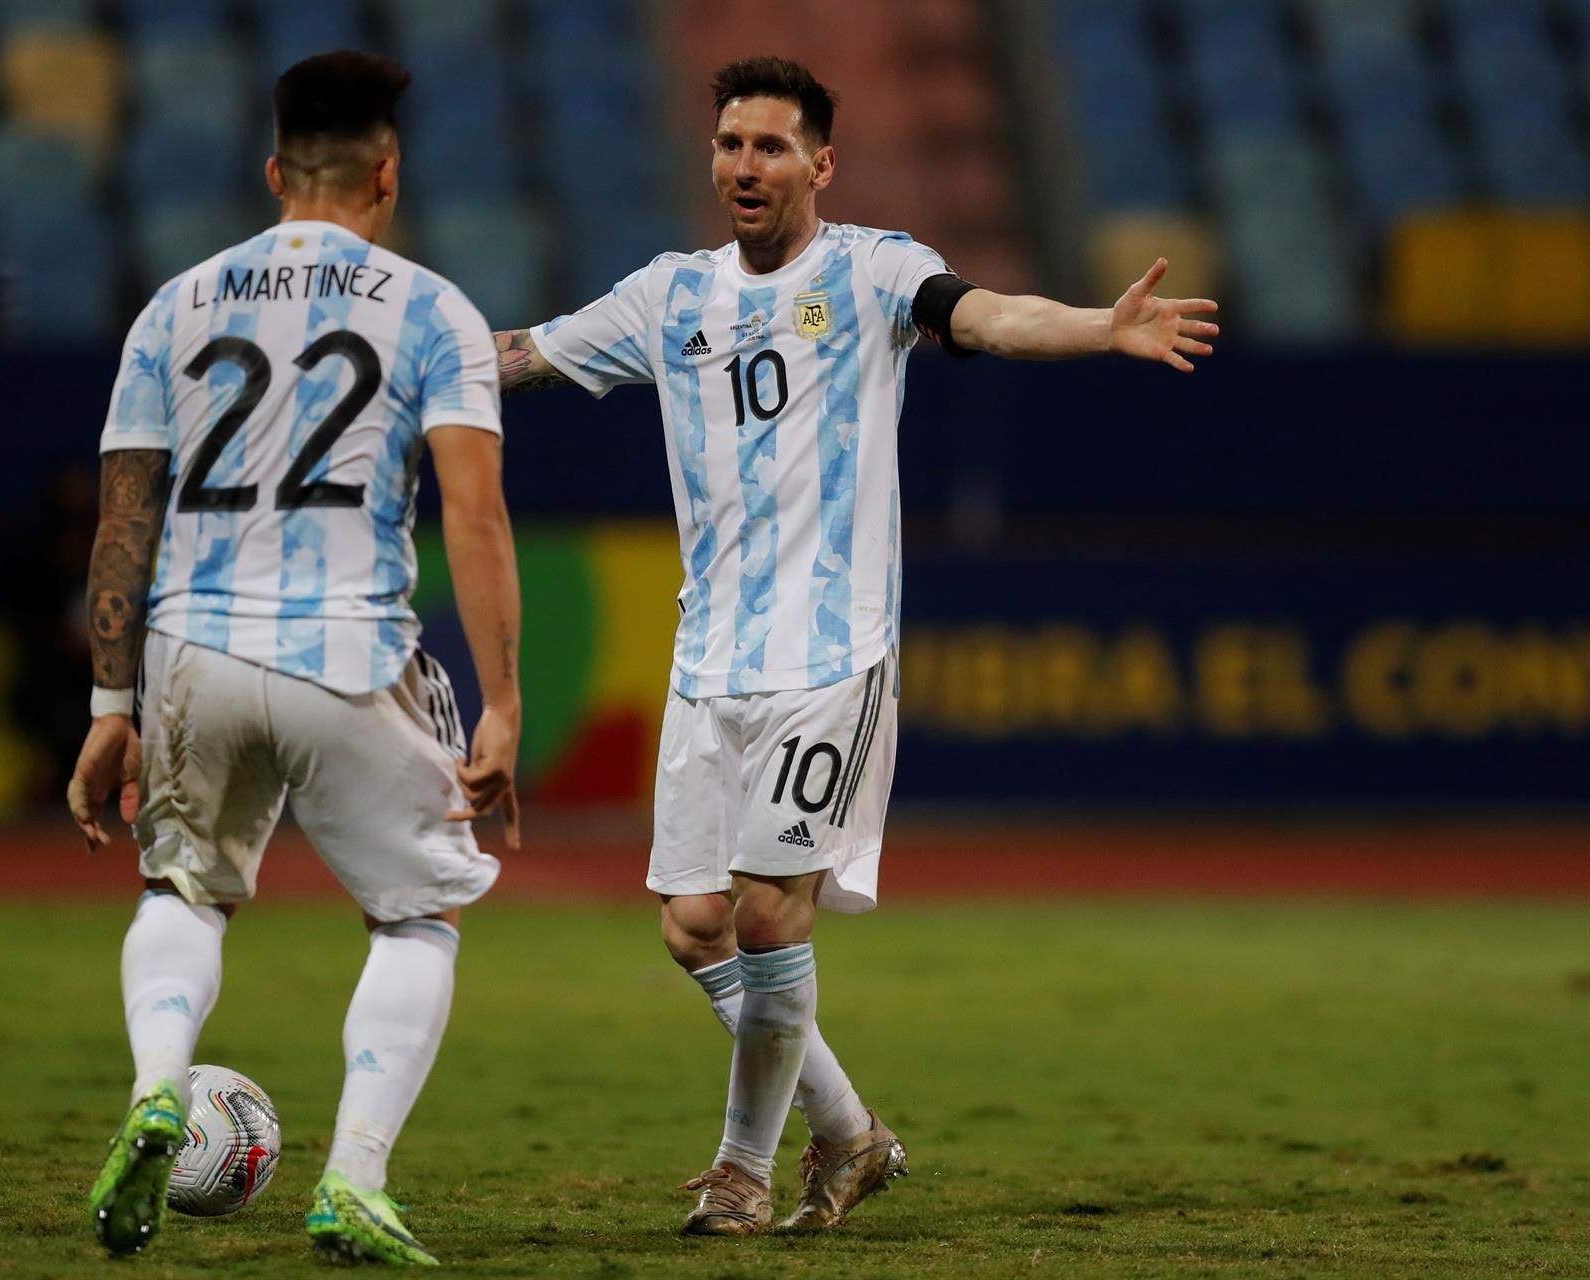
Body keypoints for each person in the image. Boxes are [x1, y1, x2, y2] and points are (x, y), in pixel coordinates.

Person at [492, 56, 1217, 1236]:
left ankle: (741, 1170)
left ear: (820, 165)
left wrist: (1099, 327)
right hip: (704, 658)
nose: (744, 165)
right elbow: (520, 353)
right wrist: (401, 360)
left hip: (830, 656)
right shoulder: (667, 296)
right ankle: (852, 1131)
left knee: (774, 915)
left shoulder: (877, 270)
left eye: (771, 146)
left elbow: (982, 315)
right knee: (692, 926)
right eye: (731, 143)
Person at [65, 51, 522, 1267]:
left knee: (182, 892)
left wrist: (113, 701)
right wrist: (506, 704)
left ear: (274, 172)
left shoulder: (175, 305)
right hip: (345, 654)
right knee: (417, 916)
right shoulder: (434, 310)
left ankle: (160, 1085)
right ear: (389, 173)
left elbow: (123, 519)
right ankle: (356, 1177)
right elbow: (475, 519)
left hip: (192, 650)